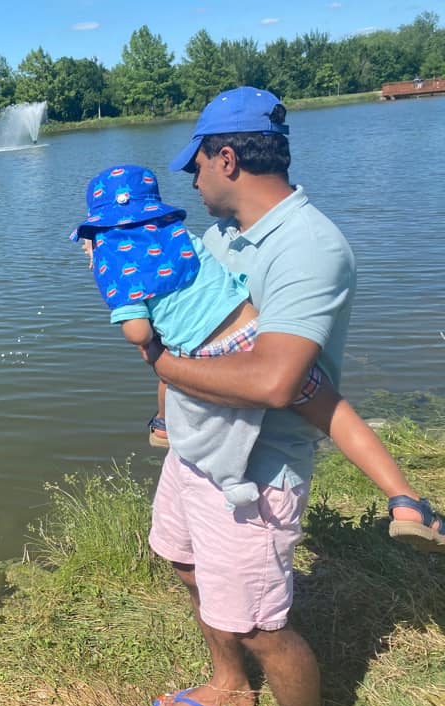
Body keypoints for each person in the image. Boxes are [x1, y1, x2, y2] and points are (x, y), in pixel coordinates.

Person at [74, 88, 441, 706]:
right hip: (197, 445)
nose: (189, 179)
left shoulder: (308, 247)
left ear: (225, 158)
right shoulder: (220, 237)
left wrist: (157, 360)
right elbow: (182, 322)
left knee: (259, 627)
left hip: (255, 464)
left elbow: (276, 381)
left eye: (194, 164)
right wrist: (164, 401)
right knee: (184, 562)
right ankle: (230, 687)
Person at [73, 162, 444, 520]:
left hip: (213, 356)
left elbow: (139, 334)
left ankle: (218, 471)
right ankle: (405, 500)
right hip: (254, 330)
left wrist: (142, 333)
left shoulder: (114, 266)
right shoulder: (180, 235)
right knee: (333, 410)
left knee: (207, 413)